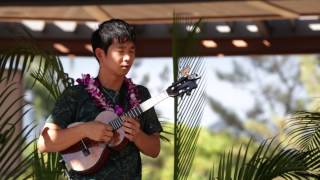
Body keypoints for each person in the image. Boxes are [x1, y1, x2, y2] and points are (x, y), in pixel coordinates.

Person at [37, 19, 162, 180]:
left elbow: (154, 149)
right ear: (100, 54)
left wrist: (137, 135)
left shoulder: (141, 94)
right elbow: (44, 143)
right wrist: (85, 130)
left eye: (131, 51)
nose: (128, 58)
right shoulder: (75, 95)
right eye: (121, 51)